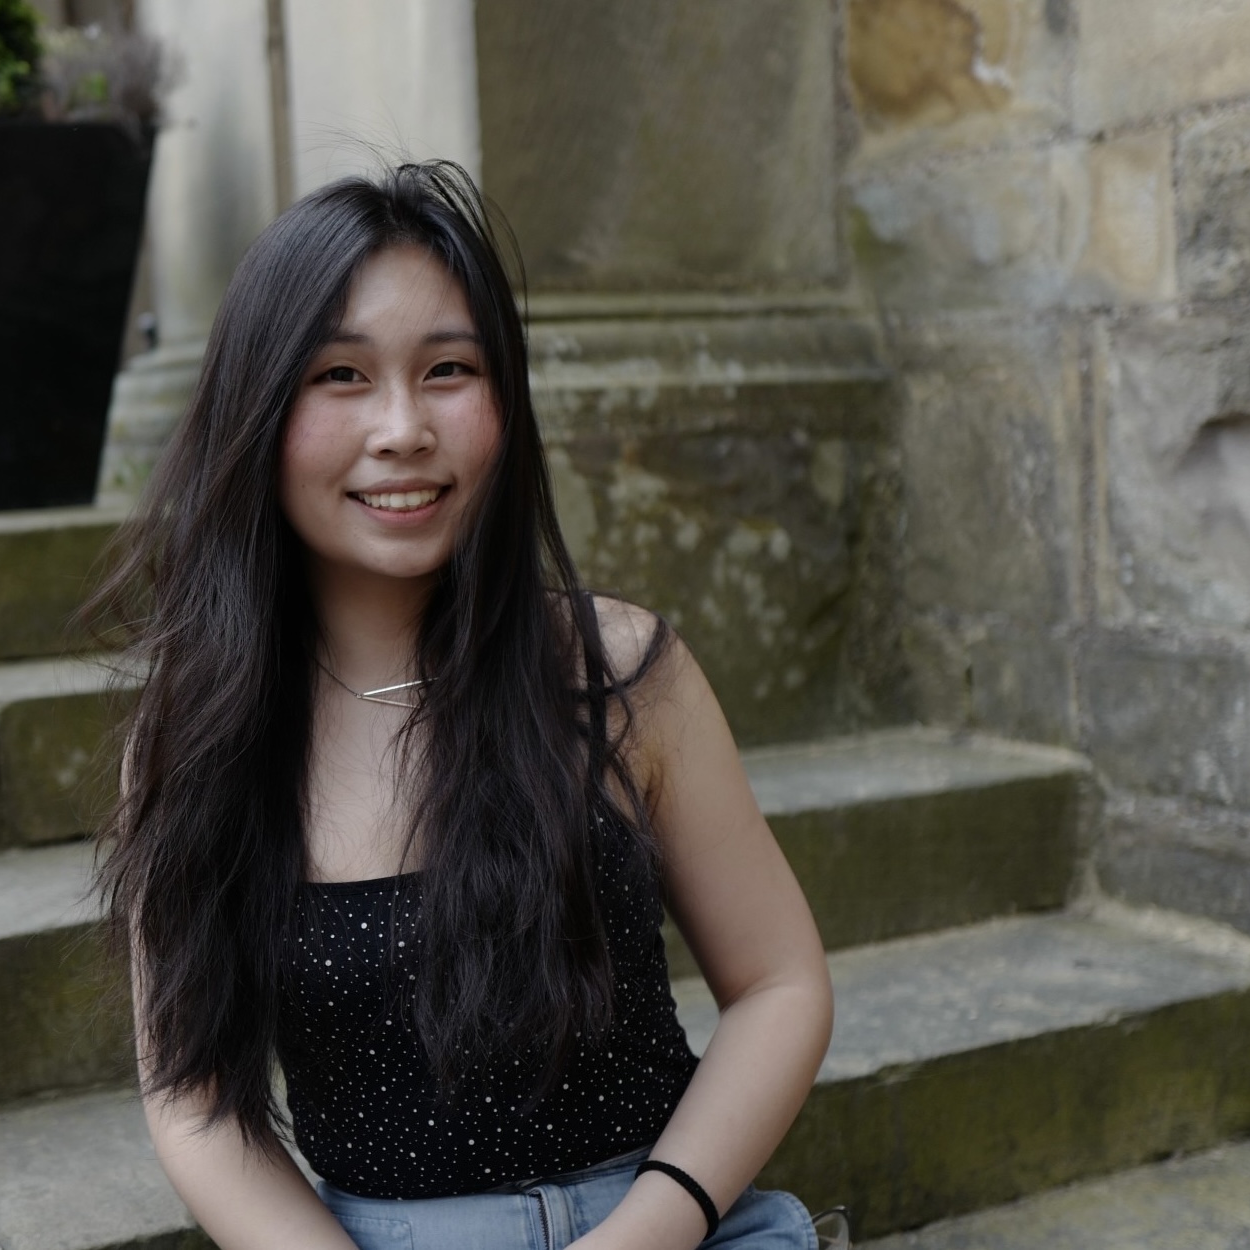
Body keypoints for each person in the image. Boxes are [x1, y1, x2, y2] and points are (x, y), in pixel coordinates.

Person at [86, 161, 834, 1250]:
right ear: (256, 408)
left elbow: (778, 981)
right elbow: (196, 1098)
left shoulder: (618, 670)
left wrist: (646, 1230)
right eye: (339, 375)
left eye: (447, 369)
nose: (400, 428)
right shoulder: (197, 738)